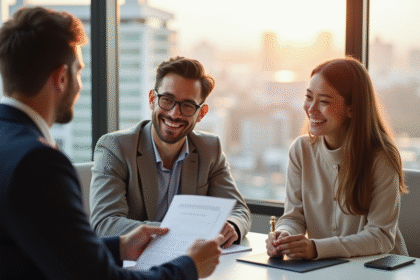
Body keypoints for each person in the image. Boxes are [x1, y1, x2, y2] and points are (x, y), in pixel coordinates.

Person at [0, 7, 223, 279]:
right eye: (79, 72)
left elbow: (45, 252)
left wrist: (120, 246)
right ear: (61, 77)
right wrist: (188, 267)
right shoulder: (38, 162)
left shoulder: (10, 145)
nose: (80, 85)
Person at [89, 56, 251, 248]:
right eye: (167, 100)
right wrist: (181, 234)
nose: (175, 113)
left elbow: (239, 210)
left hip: (191, 266)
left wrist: (231, 225)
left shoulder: (209, 148)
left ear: (202, 114)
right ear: (152, 100)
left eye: (188, 105)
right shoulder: (115, 148)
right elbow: (105, 224)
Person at [266, 57, 409, 260]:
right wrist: (284, 236)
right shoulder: (301, 150)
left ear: (352, 108)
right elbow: (293, 217)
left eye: (324, 101)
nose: (311, 108)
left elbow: (381, 237)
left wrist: (316, 249)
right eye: (308, 97)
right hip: (327, 268)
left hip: (377, 269)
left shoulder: (381, 157)